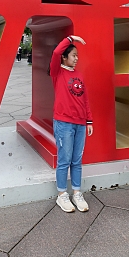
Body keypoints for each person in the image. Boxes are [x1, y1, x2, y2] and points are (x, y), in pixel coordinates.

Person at [49, 35, 93, 213]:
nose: (76, 59)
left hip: (80, 124)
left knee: (77, 160)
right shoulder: (57, 72)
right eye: (73, 55)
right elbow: (55, 52)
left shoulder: (78, 74)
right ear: (64, 57)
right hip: (63, 123)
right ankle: (62, 195)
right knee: (64, 160)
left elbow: (85, 99)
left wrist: (89, 120)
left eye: (77, 56)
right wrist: (70, 39)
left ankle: (76, 193)